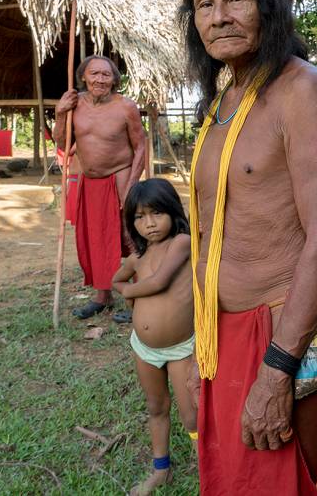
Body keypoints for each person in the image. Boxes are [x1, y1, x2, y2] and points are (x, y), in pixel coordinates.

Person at [175, 0, 317, 494]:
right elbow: (208, 232)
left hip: (284, 329)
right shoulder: (222, 102)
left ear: (267, 6)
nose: (219, 18)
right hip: (225, 333)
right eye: (204, 5)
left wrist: (276, 370)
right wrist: (201, 343)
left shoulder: (304, 89)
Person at [111, 179, 196, 495]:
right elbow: (115, 279)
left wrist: (129, 291)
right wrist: (126, 292)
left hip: (181, 348)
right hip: (144, 348)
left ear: (173, 212)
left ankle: (209, 470)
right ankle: (161, 469)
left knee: (192, 415)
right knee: (156, 407)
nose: (149, 223)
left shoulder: (182, 243)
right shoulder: (137, 257)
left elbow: (160, 282)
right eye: (139, 216)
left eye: (157, 213)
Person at [54, 54, 146, 321]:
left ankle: (138, 298)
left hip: (120, 174)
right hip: (89, 180)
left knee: (131, 237)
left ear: (114, 80)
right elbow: (62, 143)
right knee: (95, 237)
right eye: (94, 74)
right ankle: (102, 296)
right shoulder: (73, 104)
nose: (100, 79)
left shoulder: (126, 106)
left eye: (106, 75)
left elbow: (141, 146)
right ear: (84, 76)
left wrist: (131, 185)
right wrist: (61, 112)